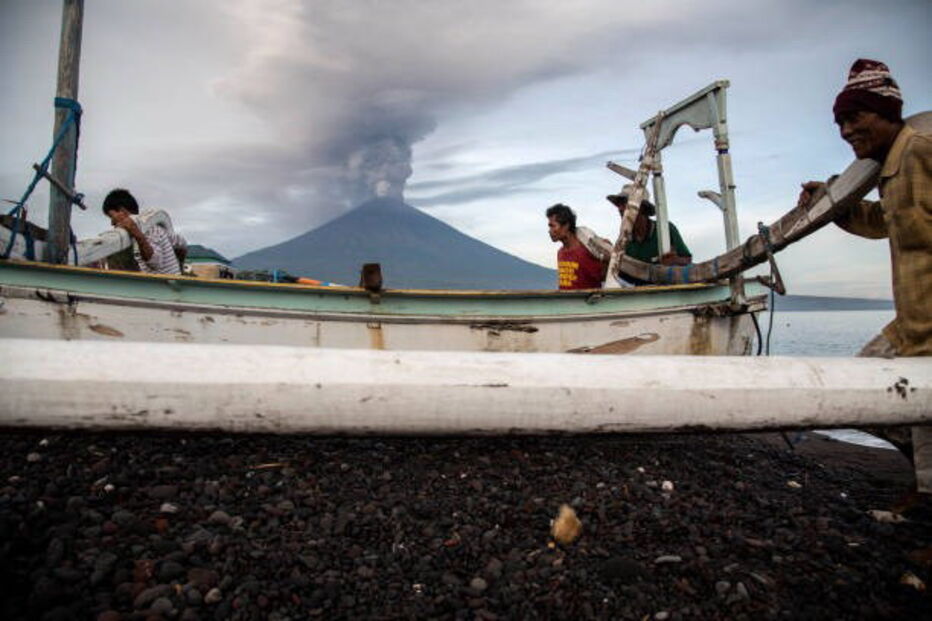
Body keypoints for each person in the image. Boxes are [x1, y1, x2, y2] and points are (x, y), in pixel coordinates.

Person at [796, 59, 931, 492]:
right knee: (859, 391)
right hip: (914, 326)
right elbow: (883, 222)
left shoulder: (922, 149)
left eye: (856, 118)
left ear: (887, 113)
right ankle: (920, 483)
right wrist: (833, 202)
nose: (846, 130)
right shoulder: (892, 167)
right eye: (841, 122)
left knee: (911, 409)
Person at [605, 184, 691, 284]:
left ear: (642, 208)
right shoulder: (624, 239)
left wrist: (675, 260)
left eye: (625, 203)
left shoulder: (666, 229)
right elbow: (621, 273)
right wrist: (610, 257)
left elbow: (687, 260)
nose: (620, 208)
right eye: (619, 204)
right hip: (638, 290)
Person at [102, 188, 187, 275]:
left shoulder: (148, 228)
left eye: (111, 216)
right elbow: (181, 243)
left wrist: (137, 234)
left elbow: (155, 262)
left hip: (165, 283)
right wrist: (179, 265)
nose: (112, 223)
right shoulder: (156, 226)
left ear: (122, 211)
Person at [546, 203, 606, 289]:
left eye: (553, 226)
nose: (550, 231)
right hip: (566, 298)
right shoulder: (561, 253)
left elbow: (604, 275)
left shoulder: (587, 250)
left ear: (566, 226)